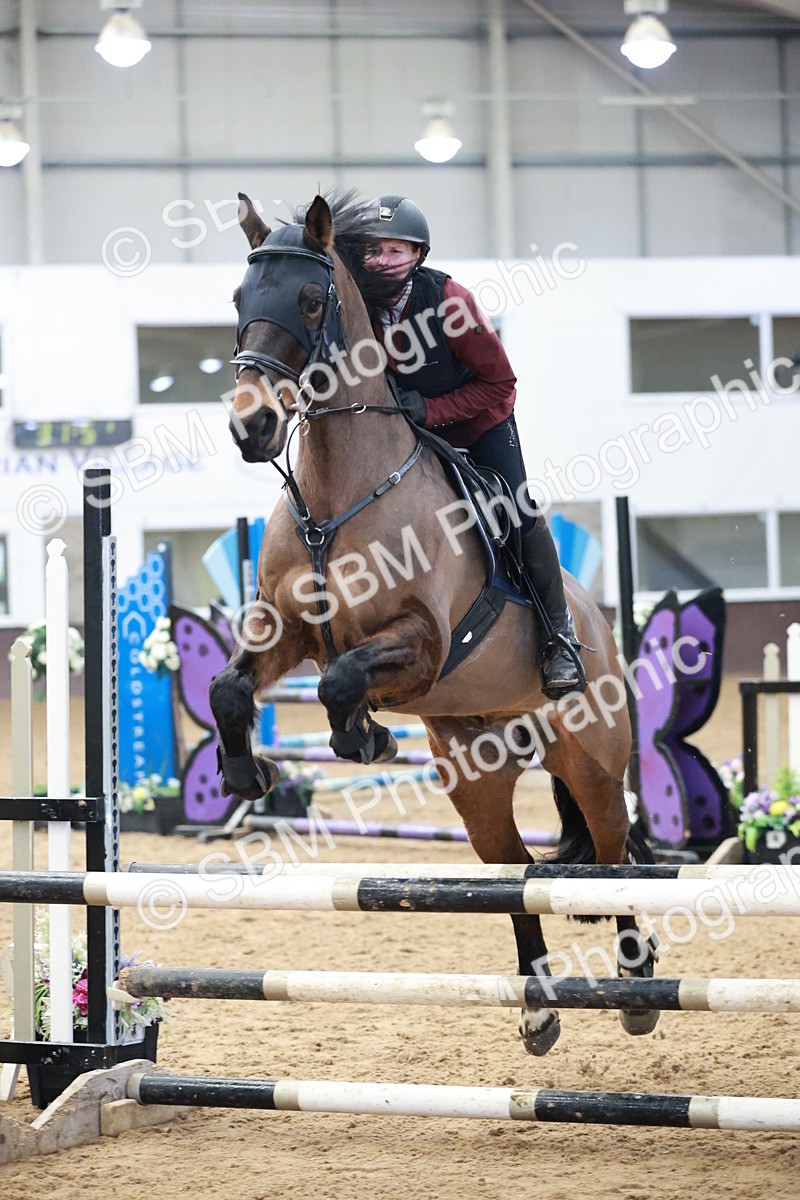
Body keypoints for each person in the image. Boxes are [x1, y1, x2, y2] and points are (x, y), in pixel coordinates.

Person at [362, 194, 583, 699]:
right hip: (410, 432)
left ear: (418, 255)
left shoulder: (450, 302)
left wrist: (431, 409)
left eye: (396, 251)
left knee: (517, 511)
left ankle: (559, 638)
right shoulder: (357, 302)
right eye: (374, 251)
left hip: (480, 424)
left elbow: (500, 382)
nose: (383, 261)